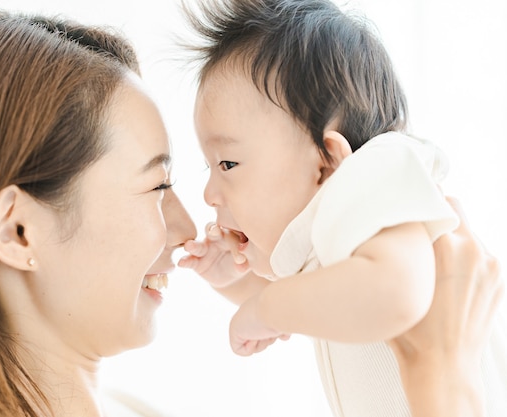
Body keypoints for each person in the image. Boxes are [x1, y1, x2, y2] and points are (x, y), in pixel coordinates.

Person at [0, 8, 501, 417]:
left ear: (326, 157)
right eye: (158, 186)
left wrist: (262, 299)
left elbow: (339, 299)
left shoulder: (378, 186)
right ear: (19, 231)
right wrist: (444, 379)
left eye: (224, 167)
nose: (190, 221)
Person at [178, 0, 507, 416]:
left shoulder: (375, 172)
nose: (209, 192)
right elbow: (313, 300)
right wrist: (228, 279)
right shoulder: (340, 250)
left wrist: (264, 310)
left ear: (326, 161)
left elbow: (395, 292)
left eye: (227, 163)